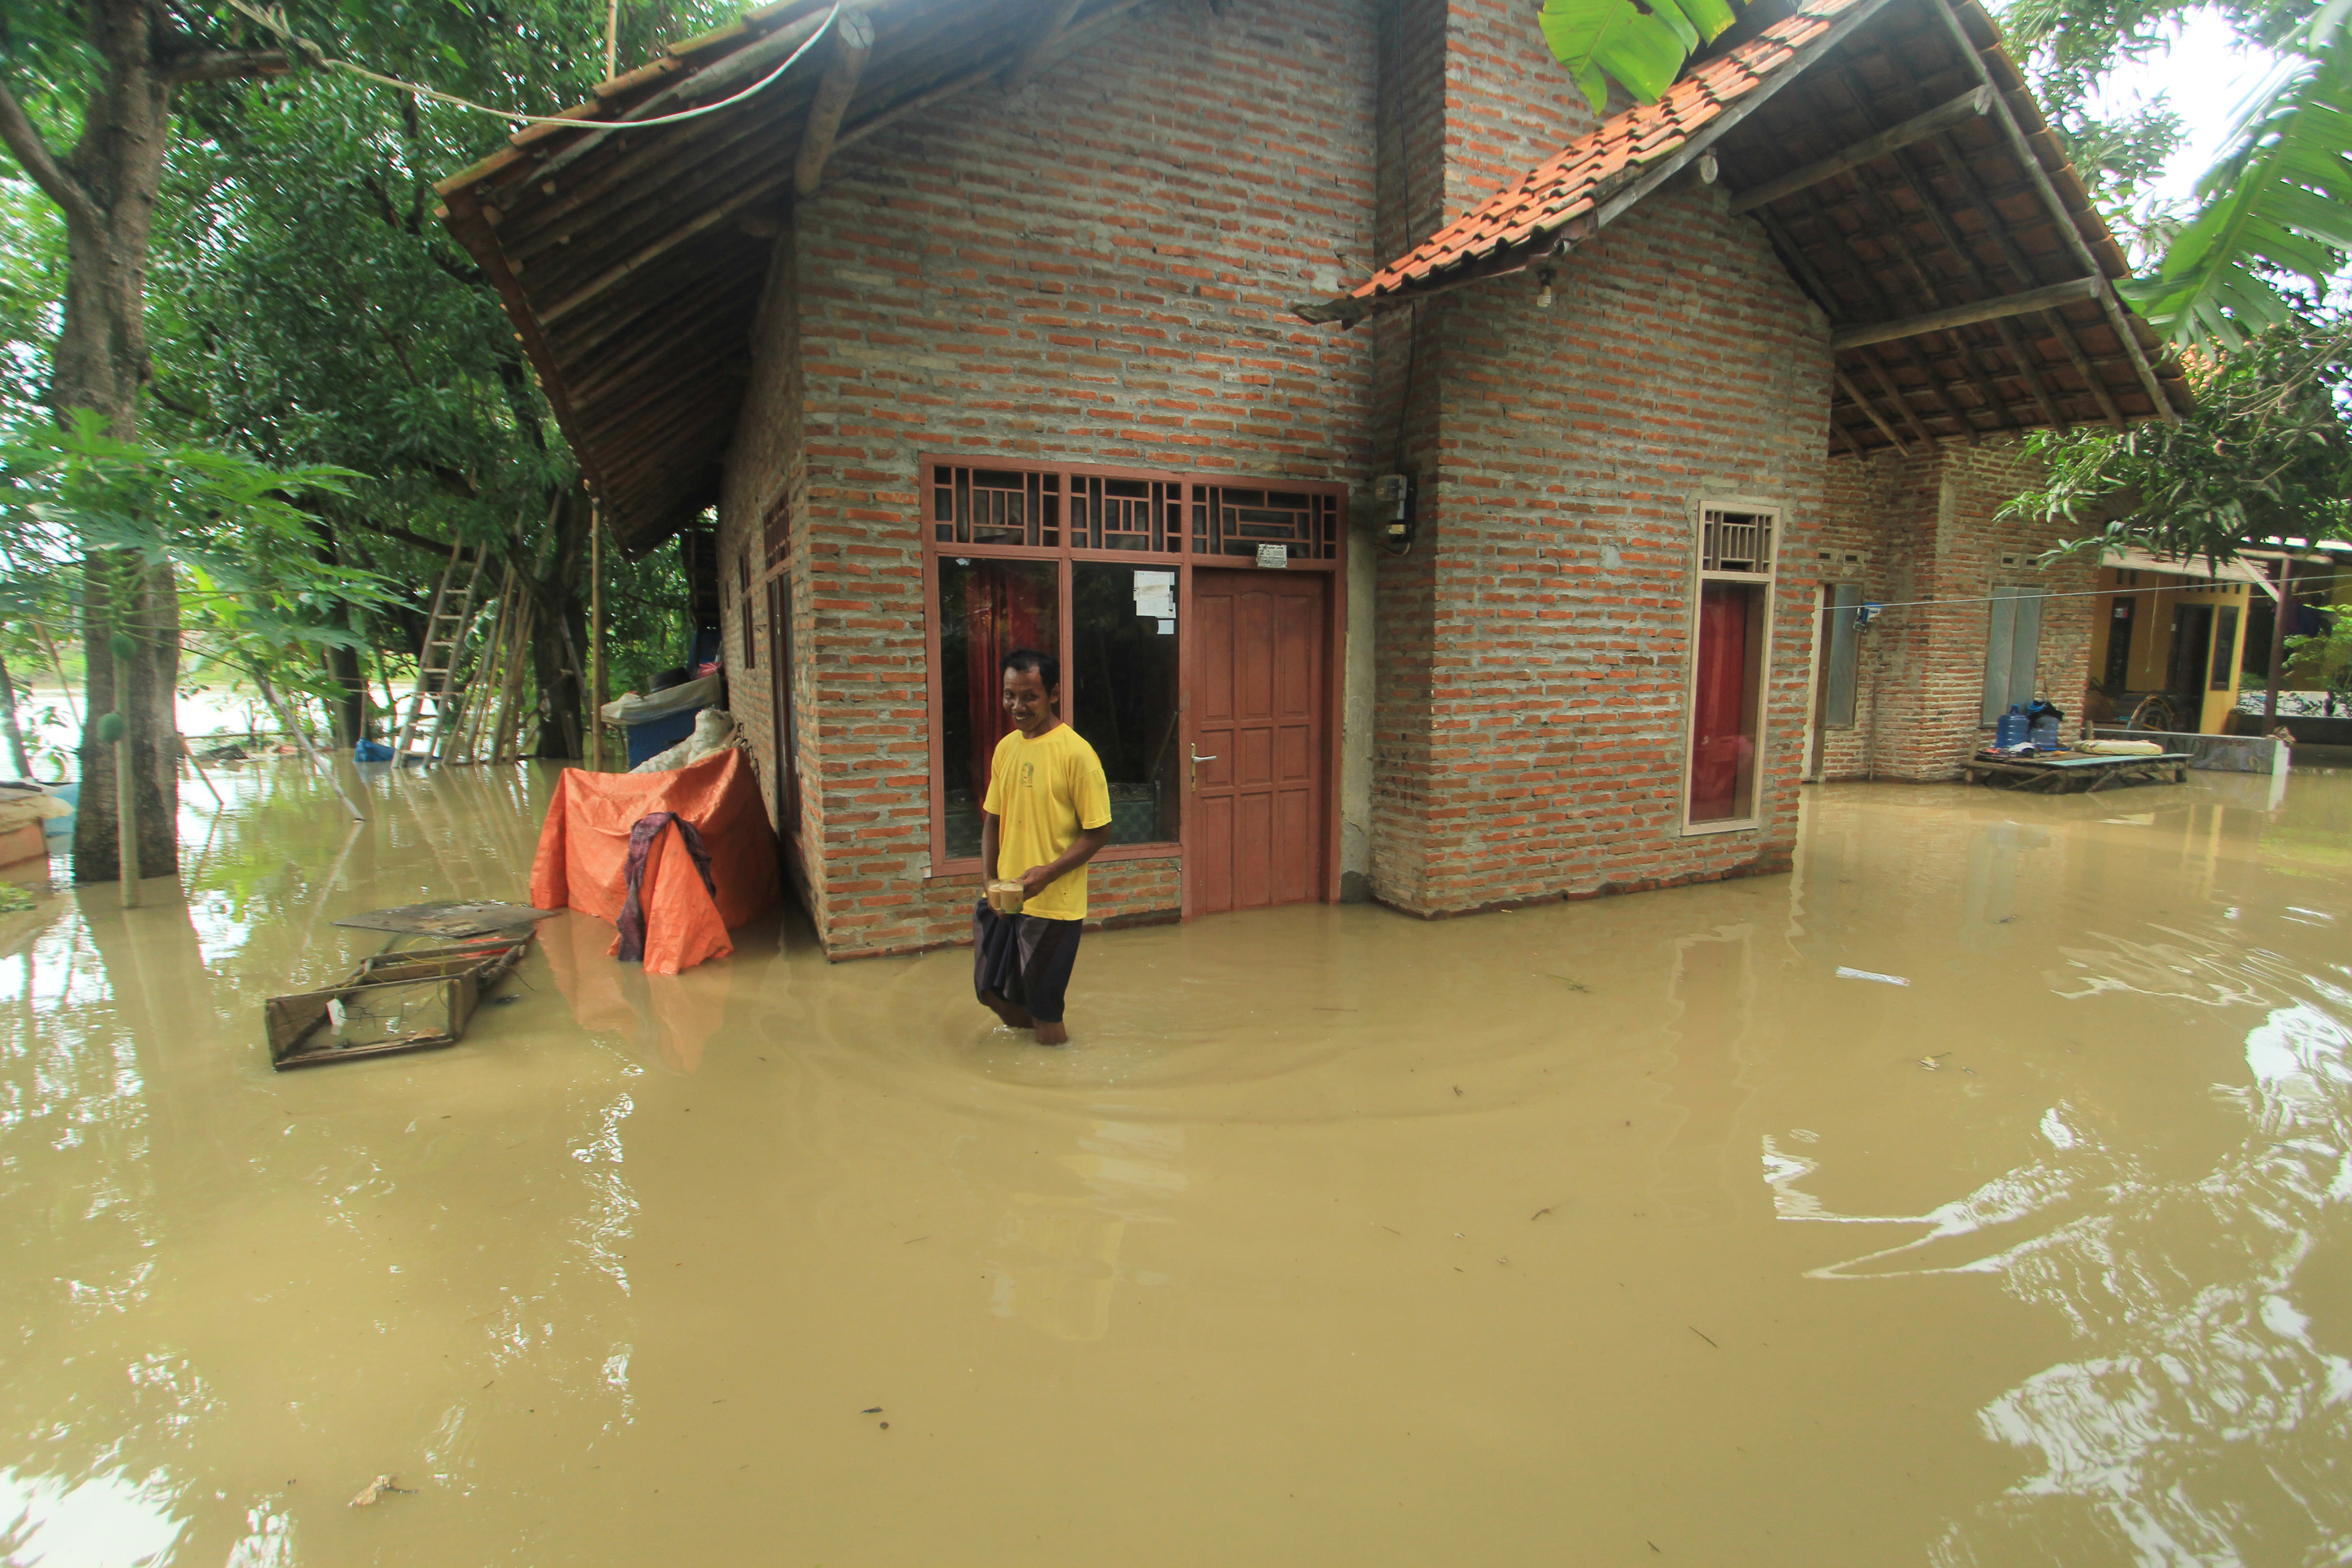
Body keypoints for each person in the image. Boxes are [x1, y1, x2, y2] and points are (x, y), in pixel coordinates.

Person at [974, 648, 1112, 1046]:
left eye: (1029, 696)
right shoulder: (1006, 748)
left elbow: (1098, 831)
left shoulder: (1077, 754)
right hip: (1006, 898)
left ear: (1052, 694)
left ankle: (1056, 1086)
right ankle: (1027, 1070)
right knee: (992, 990)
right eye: (1009, 695)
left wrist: (1047, 873)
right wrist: (989, 881)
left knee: (1045, 1009)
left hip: (1054, 905)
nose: (1017, 706)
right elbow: (992, 820)